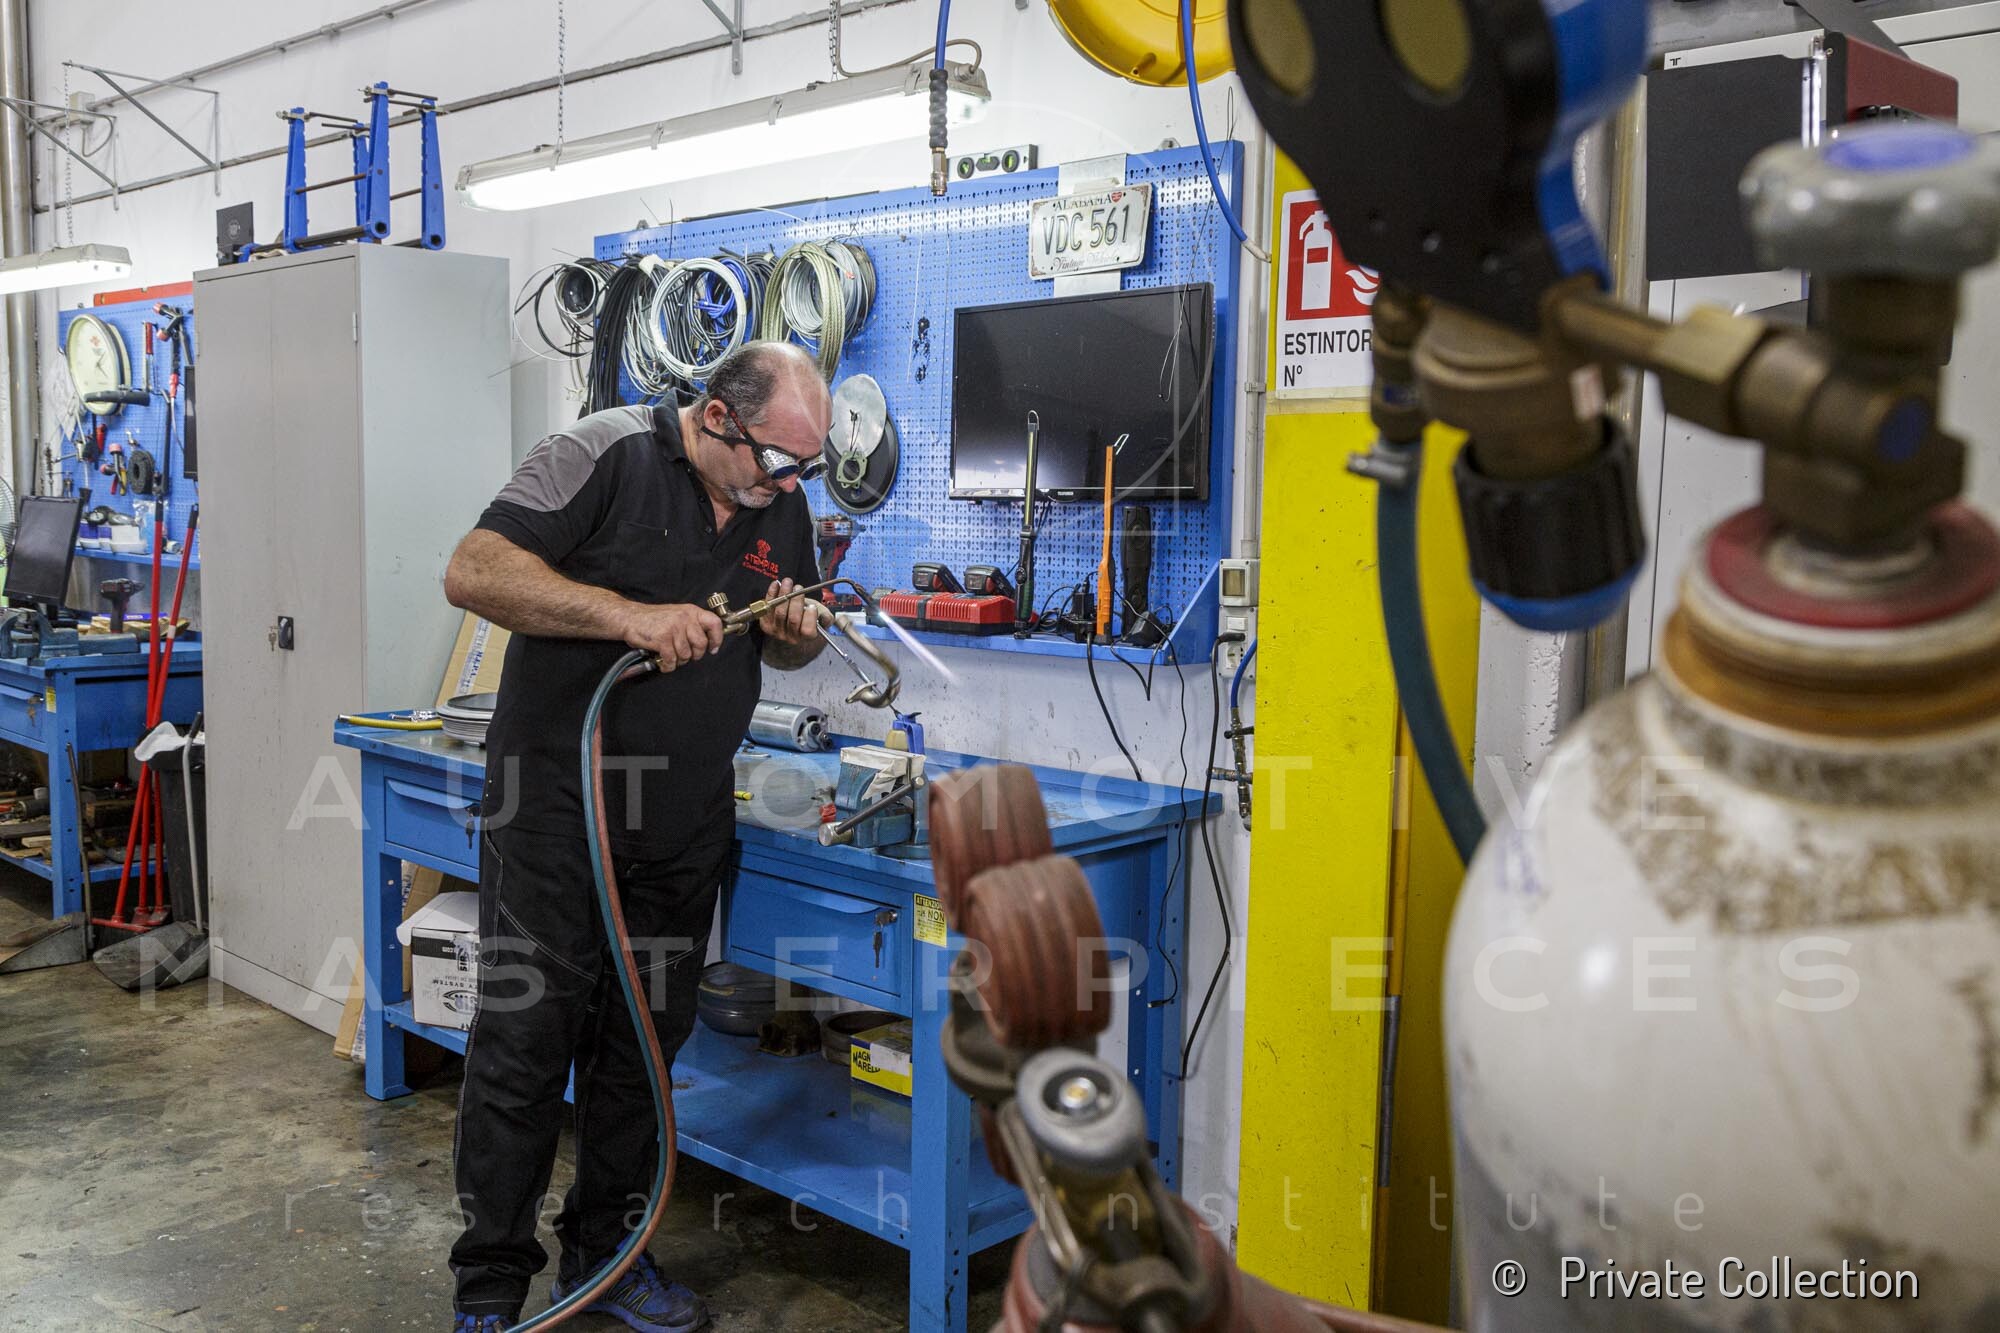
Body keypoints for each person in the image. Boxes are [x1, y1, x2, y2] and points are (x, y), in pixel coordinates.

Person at [438, 341, 833, 1332]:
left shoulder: (778, 501)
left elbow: (789, 641)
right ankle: (490, 1286)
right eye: (775, 461)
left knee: (641, 1057)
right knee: (525, 1048)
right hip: (553, 815)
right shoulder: (601, 454)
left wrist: (798, 634)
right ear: (715, 416)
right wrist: (628, 618)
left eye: (806, 467)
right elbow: (473, 571)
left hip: (681, 828)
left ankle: (608, 1259)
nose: (788, 485)